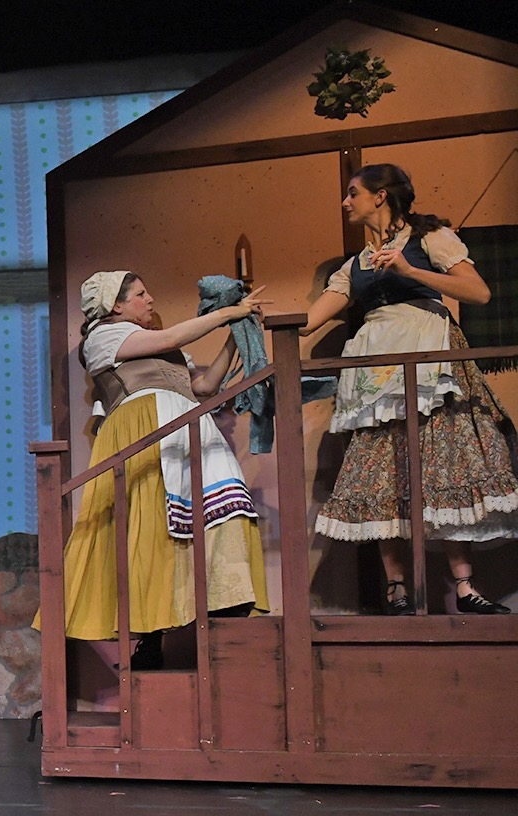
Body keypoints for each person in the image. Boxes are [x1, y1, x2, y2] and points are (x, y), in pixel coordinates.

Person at [305, 163, 515, 614]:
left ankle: (465, 588)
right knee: (384, 471)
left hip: (430, 354)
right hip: (377, 367)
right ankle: (396, 587)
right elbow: (306, 324)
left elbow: (477, 294)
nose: (346, 202)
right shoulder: (353, 267)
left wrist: (408, 269)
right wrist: (239, 315)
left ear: (380, 196)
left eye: (352, 193)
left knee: (443, 465)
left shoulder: (429, 239)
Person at [56, 271, 272, 665]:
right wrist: (228, 313)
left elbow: (204, 388)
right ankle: (150, 635)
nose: (150, 299)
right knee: (152, 529)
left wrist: (236, 330)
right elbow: (172, 337)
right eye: (140, 294)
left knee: (221, 511)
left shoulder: (166, 350)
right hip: (145, 426)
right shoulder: (104, 337)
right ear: (115, 305)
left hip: (189, 425)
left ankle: (226, 607)